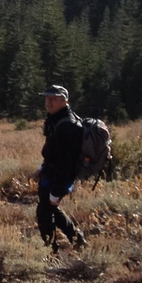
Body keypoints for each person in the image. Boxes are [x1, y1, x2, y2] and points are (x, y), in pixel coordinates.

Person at [37, 85, 87, 253]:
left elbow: (66, 163)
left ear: (64, 101)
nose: (49, 102)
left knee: (44, 212)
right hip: (51, 172)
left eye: (54, 99)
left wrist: (57, 191)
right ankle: (77, 240)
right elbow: (53, 151)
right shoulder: (55, 119)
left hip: (60, 177)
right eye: (47, 98)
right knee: (50, 208)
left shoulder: (69, 125)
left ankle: (51, 252)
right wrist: (42, 167)